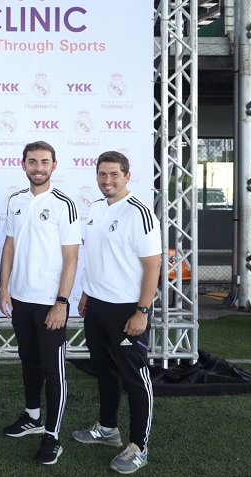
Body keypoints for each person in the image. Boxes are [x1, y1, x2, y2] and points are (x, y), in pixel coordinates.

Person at [72, 151, 161, 475]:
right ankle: (108, 428)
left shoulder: (139, 213)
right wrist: (86, 293)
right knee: (105, 369)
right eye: (102, 174)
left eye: (113, 174)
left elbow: (153, 266)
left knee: (135, 377)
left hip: (127, 311)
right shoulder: (96, 208)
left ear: (127, 176)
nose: (107, 180)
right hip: (97, 307)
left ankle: (139, 446)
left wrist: (142, 311)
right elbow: (96, 257)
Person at [0, 141, 80, 465]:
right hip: (21, 299)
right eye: (32, 161)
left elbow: (71, 258)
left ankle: (52, 436)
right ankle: (32, 416)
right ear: (23, 165)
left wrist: (62, 302)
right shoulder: (16, 200)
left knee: (53, 370)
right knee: (29, 361)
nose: (38, 167)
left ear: (54, 166)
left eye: (44, 162)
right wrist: (4, 288)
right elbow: (9, 246)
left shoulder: (64, 204)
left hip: (49, 303)